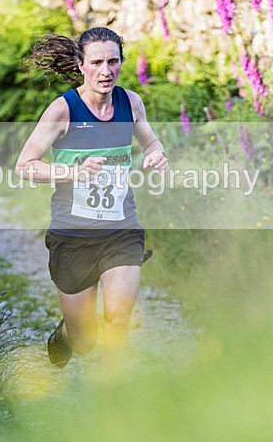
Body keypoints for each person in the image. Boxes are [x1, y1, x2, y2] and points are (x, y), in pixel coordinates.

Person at [15, 27, 168, 368]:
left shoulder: (130, 102)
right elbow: (24, 166)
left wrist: (157, 154)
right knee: (84, 342)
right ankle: (67, 334)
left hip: (121, 228)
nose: (106, 71)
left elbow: (151, 143)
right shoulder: (63, 110)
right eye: (97, 62)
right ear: (81, 65)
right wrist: (72, 171)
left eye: (113, 62)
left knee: (118, 321)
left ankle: (114, 400)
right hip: (74, 235)